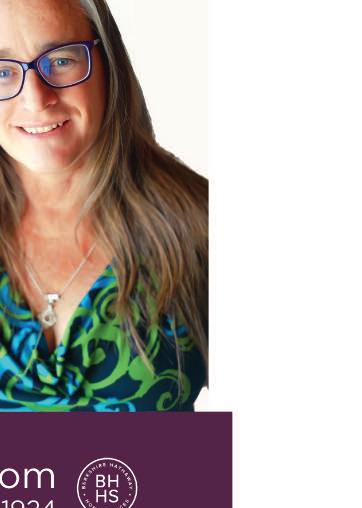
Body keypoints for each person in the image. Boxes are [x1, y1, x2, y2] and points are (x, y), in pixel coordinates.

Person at [0, 0, 208, 411]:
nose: (36, 98)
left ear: (107, 61)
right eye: (2, 72)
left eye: (61, 60)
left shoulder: (202, 226)